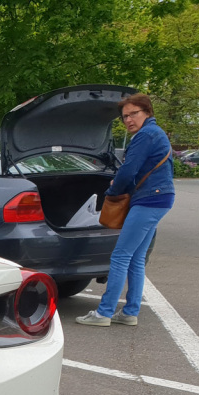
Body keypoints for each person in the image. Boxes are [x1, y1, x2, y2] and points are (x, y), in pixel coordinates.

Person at [75, 94, 174, 327]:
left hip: (149, 200)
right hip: (159, 198)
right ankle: (129, 312)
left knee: (121, 256)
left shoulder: (145, 135)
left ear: (147, 112)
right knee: (136, 258)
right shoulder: (155, 133)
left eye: (133, 114)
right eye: (125, 117)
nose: (128, 120)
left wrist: (112, 191)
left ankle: (104, 313)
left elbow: (129, 171)